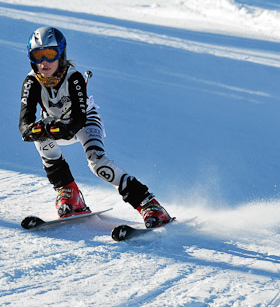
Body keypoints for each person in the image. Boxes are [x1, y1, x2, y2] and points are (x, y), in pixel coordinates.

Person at [19, 26, 172, 228]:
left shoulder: (73, 78)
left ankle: (148, 204)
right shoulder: (31, 81)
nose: (44, 62)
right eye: (38, 56)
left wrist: (62, 129)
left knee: (98, 164)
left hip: (84, 121)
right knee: (43, 140)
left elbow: (79, 119)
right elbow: (24, 121)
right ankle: (69, 194)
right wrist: (31, 130)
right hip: (54, 125)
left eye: (50, 54)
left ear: (61, 54)